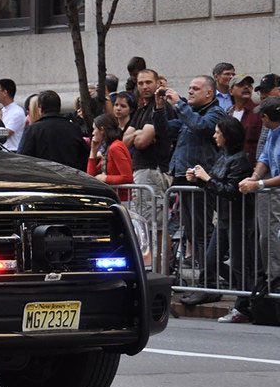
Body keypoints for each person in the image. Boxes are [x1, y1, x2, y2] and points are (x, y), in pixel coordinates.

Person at [185, 118, 255, 314]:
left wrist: (206, 179)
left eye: (218, 132)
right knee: (210, 260)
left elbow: (231, 190)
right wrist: (199, 180)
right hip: (224, 218)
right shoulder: (223, 156)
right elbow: (215, 183)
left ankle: (243, 304)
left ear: (227, 135)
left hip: (239, 218)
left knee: (240, 263)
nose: (215, 136)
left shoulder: (240, 160)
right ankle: (244, 290)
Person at [165, 75, 226, 273]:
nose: (190, 91)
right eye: (189, 87)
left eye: (195, 88)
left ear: (209, 93)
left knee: (202, 229)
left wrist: (179, 104)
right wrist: (158, 108)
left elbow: (202, 127)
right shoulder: (190, 113)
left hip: (201, 179)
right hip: (184, 177)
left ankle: (212, 276)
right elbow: (164, 130)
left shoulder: (215, 113)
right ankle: (206, 275)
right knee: (192, 230)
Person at [123, 69, 176, 247]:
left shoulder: (161, 107)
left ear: (157, 83)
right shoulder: (141, 110)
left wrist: (139, 135)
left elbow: (141, 142)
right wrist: (139, 133)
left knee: (156, 228)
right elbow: (125, 141)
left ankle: (161, 271)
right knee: (145, 225)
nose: (144, 86)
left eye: (148, 82)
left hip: (153, 172)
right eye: (140, 83)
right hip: (142, 173)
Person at [239, 96, 280, 300]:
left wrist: (259, 184)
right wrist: (254, 177)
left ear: (266, 117)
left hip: (275, 192)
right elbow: (264, 158)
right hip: (271, 191)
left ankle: (276, 279)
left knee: (273, 236)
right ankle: (272, 279)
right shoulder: (273, 133)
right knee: (266, 237)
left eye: (262, 117)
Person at [17, 90, 88, 170]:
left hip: (43, 177)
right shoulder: (73, 128)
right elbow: (84, 157)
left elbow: (22, 158)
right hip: (69, 177)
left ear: (40, 109)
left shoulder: (33, 130)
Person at [88, 113, 133, 200]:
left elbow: (127, 177)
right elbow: (90, 178)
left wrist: (106, 178)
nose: (93, 133)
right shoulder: (108, 148)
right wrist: (93, 152)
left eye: (94, 129)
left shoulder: (115, 147)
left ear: (102, 130)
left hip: (122, 200)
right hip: (113, 198)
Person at [226, 73, 261, 164]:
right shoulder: (228, 113)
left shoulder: (259, 112)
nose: (246, 87)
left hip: (252, 167)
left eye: (249, 85)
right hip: (231, 166)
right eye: (241, 85)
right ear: (231, 91)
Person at [0, 78, 25, 151]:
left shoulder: (17, 111)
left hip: (12, 151)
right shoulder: (1, 110)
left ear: (5, 92)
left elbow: (6, 133)